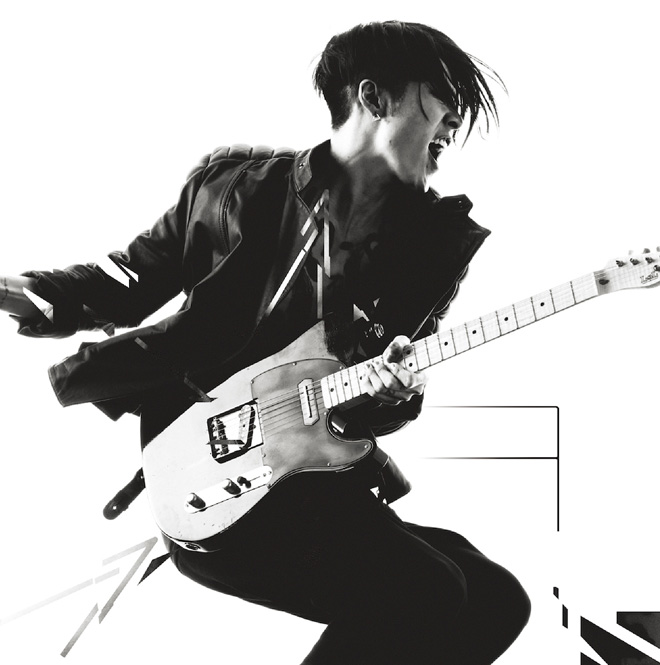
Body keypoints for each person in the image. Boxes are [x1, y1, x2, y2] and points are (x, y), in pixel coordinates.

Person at [0, 21, 530, 664]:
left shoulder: (433, 245)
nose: (455, 123)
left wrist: (393, 394)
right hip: (208, 472)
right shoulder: (235, 189)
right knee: (427, 591)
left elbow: (375, 394)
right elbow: (125, 281)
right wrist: (18, 290)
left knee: (496, 599)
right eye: (444, 100)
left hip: (313, 472)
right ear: (374, 97)